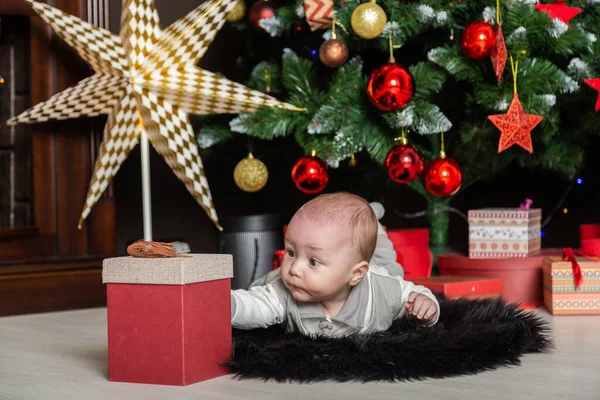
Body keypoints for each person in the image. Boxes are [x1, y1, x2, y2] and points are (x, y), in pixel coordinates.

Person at [231, 192, 439, 336]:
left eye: (313, 261)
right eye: (291, 252)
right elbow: (255, 305)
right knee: (261, 286)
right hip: (342, 268)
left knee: (386, 260)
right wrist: (226, 304)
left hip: (374, 271)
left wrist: (426, 306)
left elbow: (415, 294)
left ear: (357, 274)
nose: (294, 269)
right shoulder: (285, 288)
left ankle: (374, 221)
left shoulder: (383, 290)